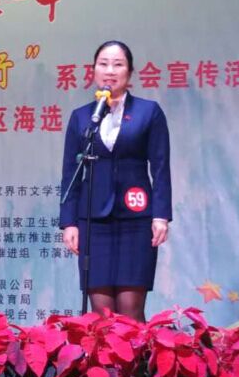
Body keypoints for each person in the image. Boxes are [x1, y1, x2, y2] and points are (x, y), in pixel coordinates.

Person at [59, 40, 171, 321]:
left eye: (118, 64)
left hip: (136, 219)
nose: (110, 71)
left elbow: (160, 167)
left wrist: (161, 216)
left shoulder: (149, 112)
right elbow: (71, 173)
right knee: (102, 314)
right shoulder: (82, 117)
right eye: (103, 64)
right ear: (93, 70)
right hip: (93, 221)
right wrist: (69, 222)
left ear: (129, 72)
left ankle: (137, 353)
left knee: (130, 310)